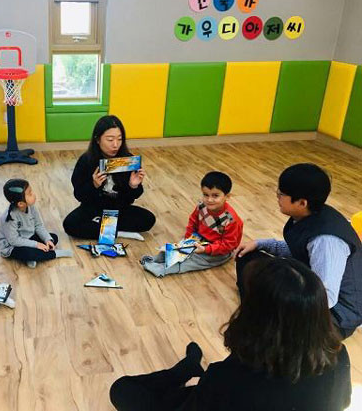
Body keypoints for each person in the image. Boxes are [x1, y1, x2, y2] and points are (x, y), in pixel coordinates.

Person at [110, 256, 352, 411]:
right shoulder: (337, 354)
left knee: (122, 389)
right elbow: (342, 401)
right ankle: (184, 370)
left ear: (256, 314)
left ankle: (182, 371)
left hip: (223, 395)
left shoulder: (229, 377)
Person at [235, 163, 362, 338]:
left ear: (302, 202)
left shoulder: (326, 240)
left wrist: (283, 295)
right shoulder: (308, 215)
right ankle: (262, 312)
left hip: (334, 317)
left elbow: (326, 298)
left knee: (268, 295)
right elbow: (299, 249)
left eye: (281, 194)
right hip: (311, 285)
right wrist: (260, 244)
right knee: (247, 258)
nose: (277, 196)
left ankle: (263, 316)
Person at [63, 115, 155, 240]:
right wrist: (93, 185)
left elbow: (132, 197)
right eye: (110, 140)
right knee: (70, 224)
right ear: (97, 139)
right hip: (94, 209)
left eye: (119, 139)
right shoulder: (86, 160)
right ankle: (118, 232)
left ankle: (103, 228)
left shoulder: (127, 160)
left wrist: (133, 186)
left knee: (148, 219)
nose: (115, 145)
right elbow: (79, 195)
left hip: (119, 209)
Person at [142, 172, 243, 277]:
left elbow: (228, 245)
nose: (209, 200)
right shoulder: (202, 207)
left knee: (193, 260)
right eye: (206, 195)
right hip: (198, 240)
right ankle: (157, 259)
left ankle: (162, 269)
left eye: (215, 196)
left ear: (227, 196)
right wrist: (188, 239)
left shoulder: (231, 220)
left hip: (218, 251)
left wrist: (206, 249)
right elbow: (193, 222)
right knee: (176, 249)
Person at [0, 178, 73, 269]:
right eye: (30, 194)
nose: (34, 194)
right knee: (28, 253)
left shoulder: (31, 207)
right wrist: (36, 245)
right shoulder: (9, 218)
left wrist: (47, 239)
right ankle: (54, 254)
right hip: (13, 246)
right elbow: (14, 241)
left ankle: (32, 257)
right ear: (21, 204)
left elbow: (38, 226)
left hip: (29, 237)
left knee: (53, 237)